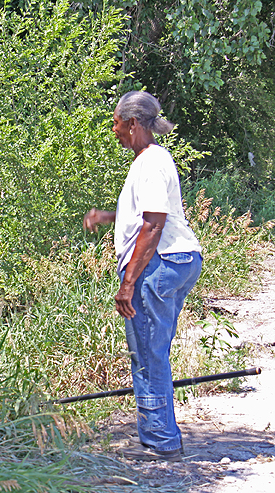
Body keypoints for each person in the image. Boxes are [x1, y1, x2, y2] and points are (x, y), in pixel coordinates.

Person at [83, 91, 202, 462]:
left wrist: (129, 282)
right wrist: (108, 217)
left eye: (117, 122)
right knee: (154, 352)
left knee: (148, 356)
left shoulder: (150, 162)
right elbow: (145, 216)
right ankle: (161, 435)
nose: (114, 129)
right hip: (178, 259)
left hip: (160, 265)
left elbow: (153, 225)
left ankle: (161, 441)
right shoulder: (153, 159)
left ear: (133, 123)